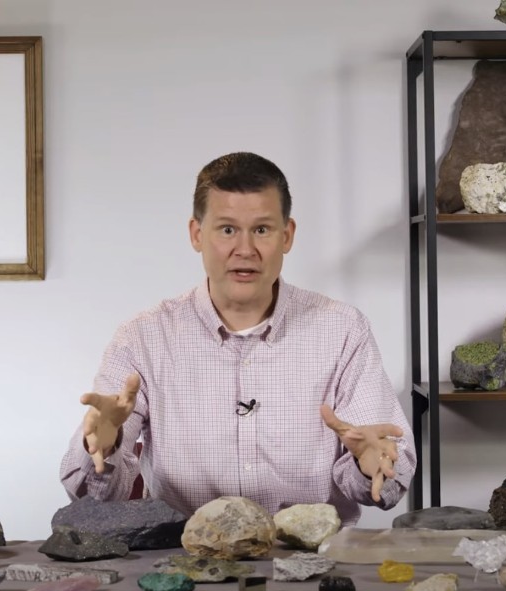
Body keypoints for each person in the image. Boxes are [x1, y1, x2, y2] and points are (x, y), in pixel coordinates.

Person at [59, 152, 415, 525]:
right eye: (227, 229)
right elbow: (92, 495)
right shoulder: (143, 338)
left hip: (310, 562)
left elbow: (384, 484)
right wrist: (108, 440)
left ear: (287, 235)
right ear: (197, 235)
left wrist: (370, 464)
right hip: (185, 560)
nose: (245, 250)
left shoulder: (342, 330)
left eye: (262, 230)